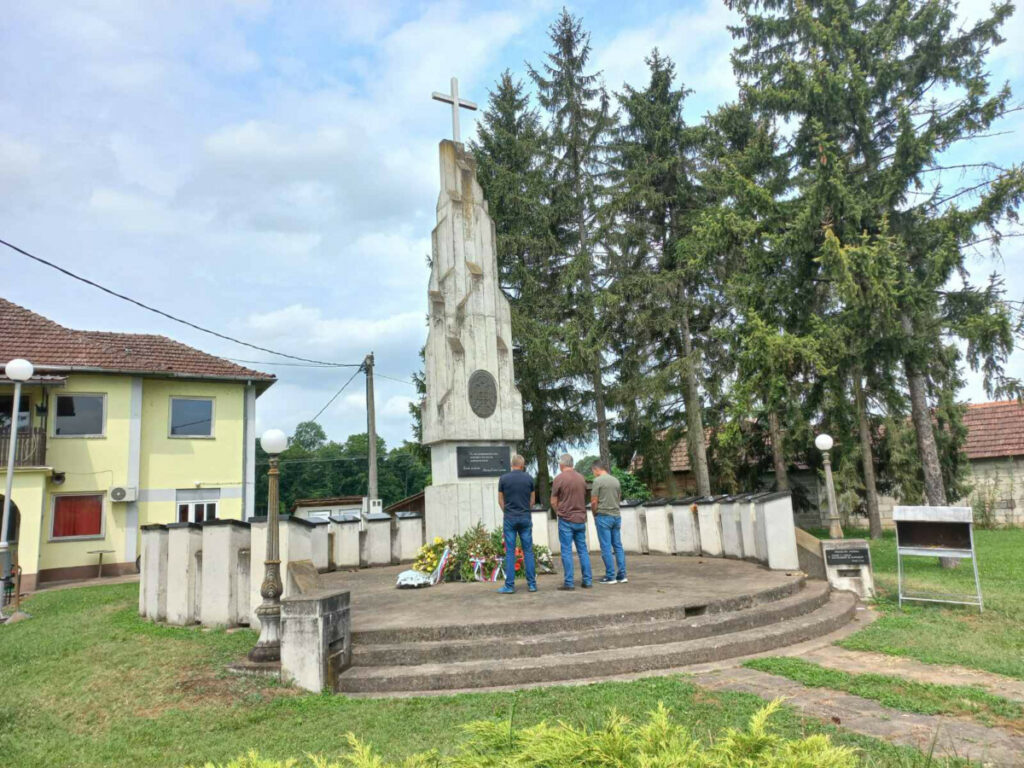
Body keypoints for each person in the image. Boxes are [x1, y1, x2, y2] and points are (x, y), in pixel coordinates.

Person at [550, 453, 592, 590]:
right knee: (583, 551)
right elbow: (585, 496)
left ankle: (569, 582)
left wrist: (558, 512)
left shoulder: (559, 479)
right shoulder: (581, 478)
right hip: (580, 519)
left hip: (566, 519)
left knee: (567, 551)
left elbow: (553, 501)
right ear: (572, 464)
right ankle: (587, 581)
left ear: (561, 464)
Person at [496, 454, 537, 594]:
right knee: (528, 551)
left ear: (511, 464)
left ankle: (509, 586)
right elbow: (532, 499)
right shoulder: (529, 478)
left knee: (510, 552)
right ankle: (532, 585)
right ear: (522, 465)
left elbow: (500, 500)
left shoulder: (503, 479)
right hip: (525, 517)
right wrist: (526, 510)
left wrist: (507, 511)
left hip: (510, 518)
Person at [591, 461, 626, 584]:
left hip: (603, 516)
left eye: (593, 471)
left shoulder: (597, 481)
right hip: (616, 516)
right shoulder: (616, 481)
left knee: (606, 547)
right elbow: (618, 498)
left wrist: (594, 514)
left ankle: (610, 576)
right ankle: (622, 575)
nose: (593, 474)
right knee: (618, 546)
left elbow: (594, 501)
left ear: (596, 469)